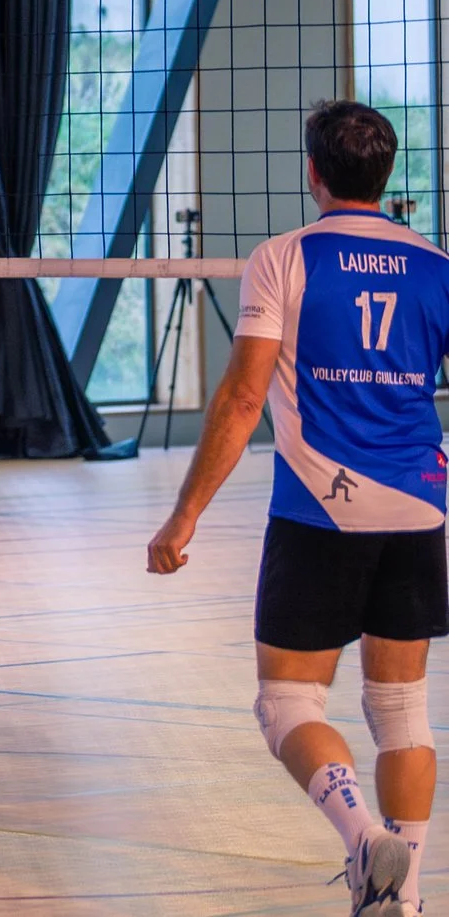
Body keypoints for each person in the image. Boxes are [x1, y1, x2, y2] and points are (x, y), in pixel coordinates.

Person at [148, 101, 448, 917]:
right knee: (402, 712)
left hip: (322, 511)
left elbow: (245, 395)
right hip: (419, 510)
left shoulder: (285, 257)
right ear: (386, 177)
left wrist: (184, 516)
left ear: (312, 172)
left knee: (287, 703)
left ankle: (360, 837)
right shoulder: (435, 263)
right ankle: (405, 895)